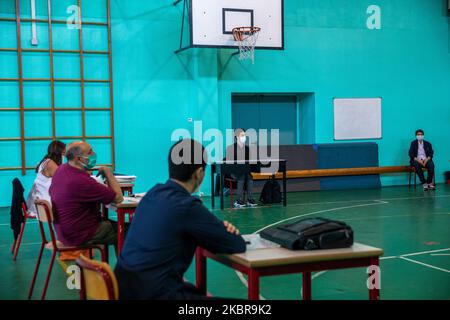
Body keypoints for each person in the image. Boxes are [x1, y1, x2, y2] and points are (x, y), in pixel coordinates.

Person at [115, 139, 246, 300]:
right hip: (157, 294)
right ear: (199, 173)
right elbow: (236, 243)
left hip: (125, 289)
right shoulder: (188, 206)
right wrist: (223, 229)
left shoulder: (153, 194)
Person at [49, 141, 124, 249]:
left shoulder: (61, 170)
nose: (94, 154)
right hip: (81, 233)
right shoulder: (81, 181)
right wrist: (108, 173)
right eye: (90, 152)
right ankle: (127, 265)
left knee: (116, 226)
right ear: (79, 159)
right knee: (130, 231)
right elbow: (118, 198)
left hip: (65, 231)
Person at [26, 140, 66, 216]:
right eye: (64, 152)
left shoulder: (46, 161)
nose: (65, 154)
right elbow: (63, 180)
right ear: (59, 152)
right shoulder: (50, 164)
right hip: (44, 203)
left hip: (39, 200)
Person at [225, 128, 258, 208]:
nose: (244, 137)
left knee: (249, 176)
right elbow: (229, 163)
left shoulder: (247, 148)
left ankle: (250, 199)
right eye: (242, 135)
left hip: (244, 171)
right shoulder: (230, 148)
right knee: (242, 176)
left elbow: (249, 161)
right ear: (237, 137)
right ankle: (238, 201)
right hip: (233, 172)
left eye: (244, 135)